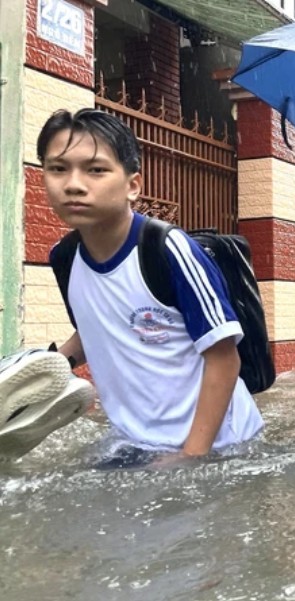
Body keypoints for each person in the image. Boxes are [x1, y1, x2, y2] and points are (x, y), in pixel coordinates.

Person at [39, 108, 263, 466]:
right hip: (134, 444)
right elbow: (98, 326)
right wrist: (46, 368)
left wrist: (190, 456)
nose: (73, 184)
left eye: (95, 170)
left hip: (219, 448)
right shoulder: (65, 258)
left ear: (133, 186)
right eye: (58, 168)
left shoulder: (167, 249)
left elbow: (223, 358)